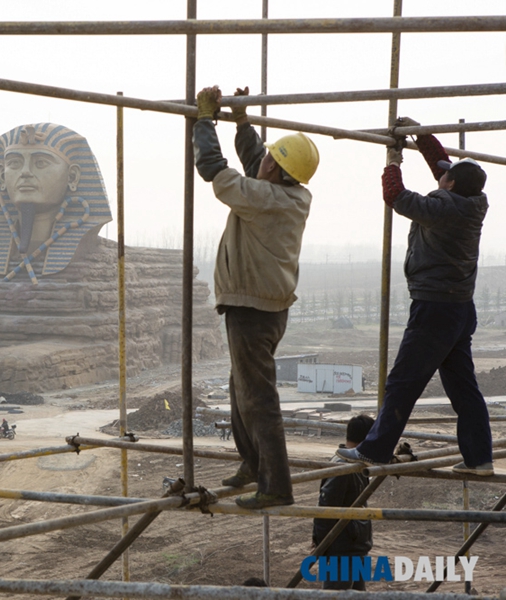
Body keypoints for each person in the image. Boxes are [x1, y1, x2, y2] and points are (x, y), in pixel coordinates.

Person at [337, 118, 494, 477]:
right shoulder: (474, 202)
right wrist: (422, 135)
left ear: (450, 185)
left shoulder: (443, 209)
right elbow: (444, 167)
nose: (441, 176)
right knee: (462, 387)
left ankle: (375, 449)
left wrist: (393, 161)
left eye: (446, 176)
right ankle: (478, 458)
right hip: (458, 308)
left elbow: (395, 196)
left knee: (403, 382)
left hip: (434, 309)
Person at [192, 85, 319, 509]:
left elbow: (213, 168)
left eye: (270, 159)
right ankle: (252, 462)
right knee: (240, 389)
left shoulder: (263, 198)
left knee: (259, 399)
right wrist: (244, 122)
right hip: (265, 308)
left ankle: (275, 485)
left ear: (278, 173)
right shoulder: (291, 195)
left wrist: (204, 120)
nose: (263, 160)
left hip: (252, 311)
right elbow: (255, 162)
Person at [0, 123, 112, 282]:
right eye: (15, 163)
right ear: (2, 176)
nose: (25, 172)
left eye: (41, 163)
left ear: (72, 177)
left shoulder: (85, 267)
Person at [313, 415, 375, 590]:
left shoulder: (355, 464)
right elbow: (326, 509)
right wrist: (321, 542)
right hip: (342, 548)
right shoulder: (344, 468)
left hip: (353, 545)